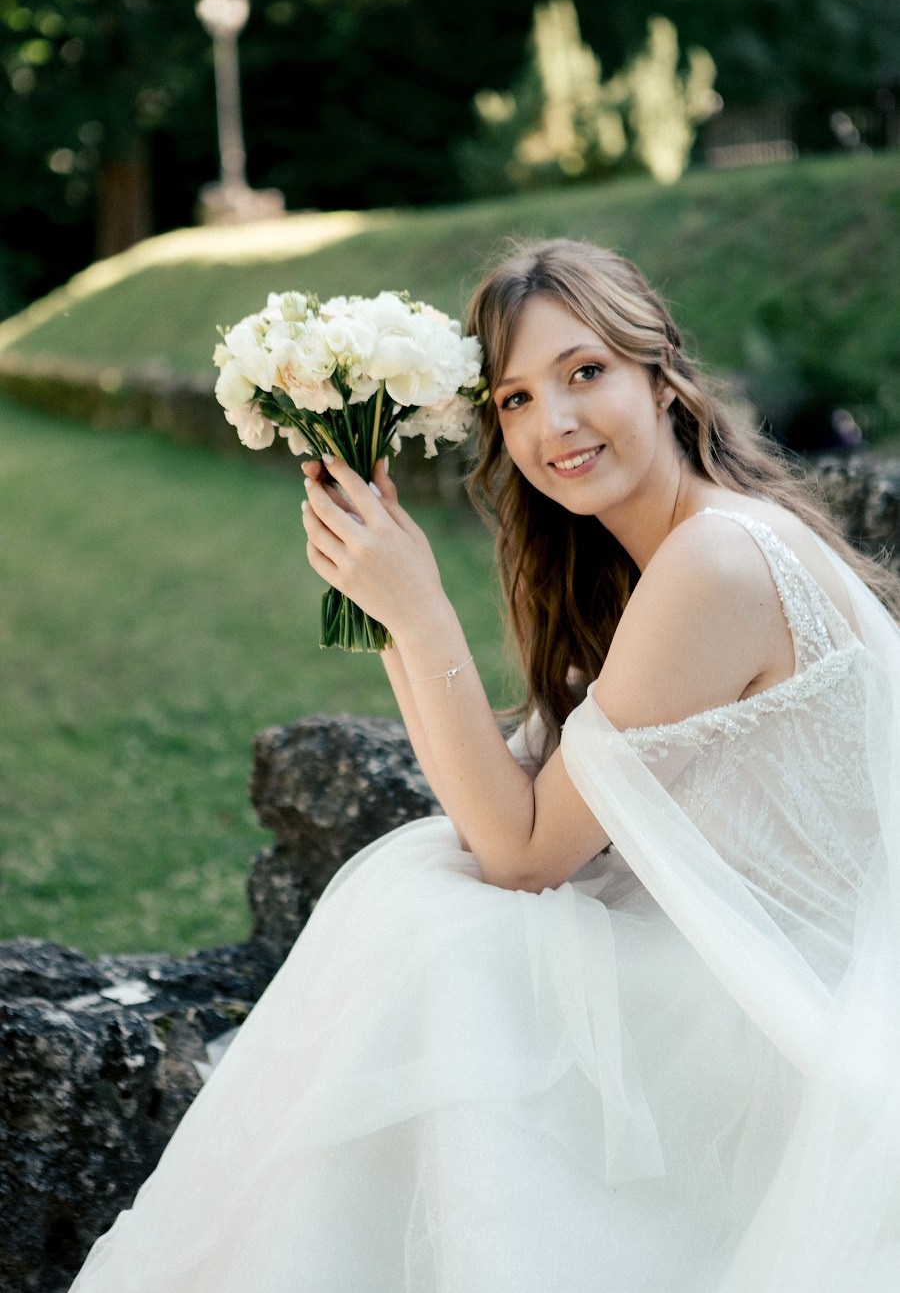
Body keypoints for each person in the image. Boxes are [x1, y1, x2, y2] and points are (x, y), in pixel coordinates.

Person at [70, 239, 900, 1292]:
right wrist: (390, 614)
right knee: (426, 898)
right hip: (754, 963)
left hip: (795, 1011)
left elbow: (521, 853)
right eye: (513, 398)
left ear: (661, 373)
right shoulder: (661, 554)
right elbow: (491, 819)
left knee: (440, 926)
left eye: (584, 373)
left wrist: (419, 611)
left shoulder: (716, 560)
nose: (552, 424)